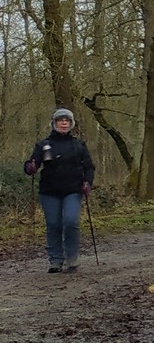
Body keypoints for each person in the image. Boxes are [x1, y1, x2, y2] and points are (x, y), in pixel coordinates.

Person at [24, 108, 94, 274]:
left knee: (70, 221)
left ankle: (72, 259)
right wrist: (31, 167)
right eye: (60, 120)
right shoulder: (43, 145)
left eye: (67, 121)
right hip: (49, 191)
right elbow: (30, 166)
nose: (64, 123)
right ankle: (55, 261)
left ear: (71, 124)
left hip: (73, 190)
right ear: (54, 123)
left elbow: (89, 167)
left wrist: (87, 182)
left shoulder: (79, 145)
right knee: (53, 224)